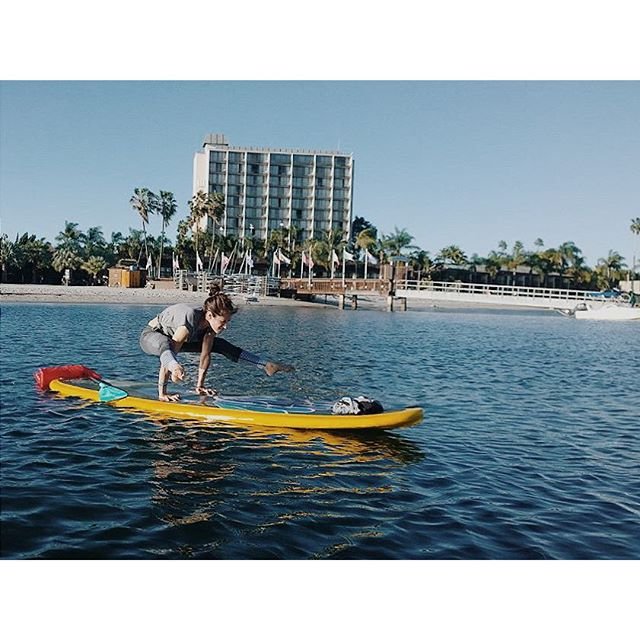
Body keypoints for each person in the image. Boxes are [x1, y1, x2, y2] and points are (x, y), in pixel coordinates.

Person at [140, 285, 294, 401]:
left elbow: (205, 356)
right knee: (166, 346)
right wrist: (163, 392)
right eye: (223, 321)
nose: (226, 326)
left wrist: (199, 386)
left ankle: (265, 365)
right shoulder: (190, 318)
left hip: (175, 343)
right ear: (209, 315)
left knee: (219, 344)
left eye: (228, 321)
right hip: (152, 336)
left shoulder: (210, 327)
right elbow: (170, 350)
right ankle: (165, 386)